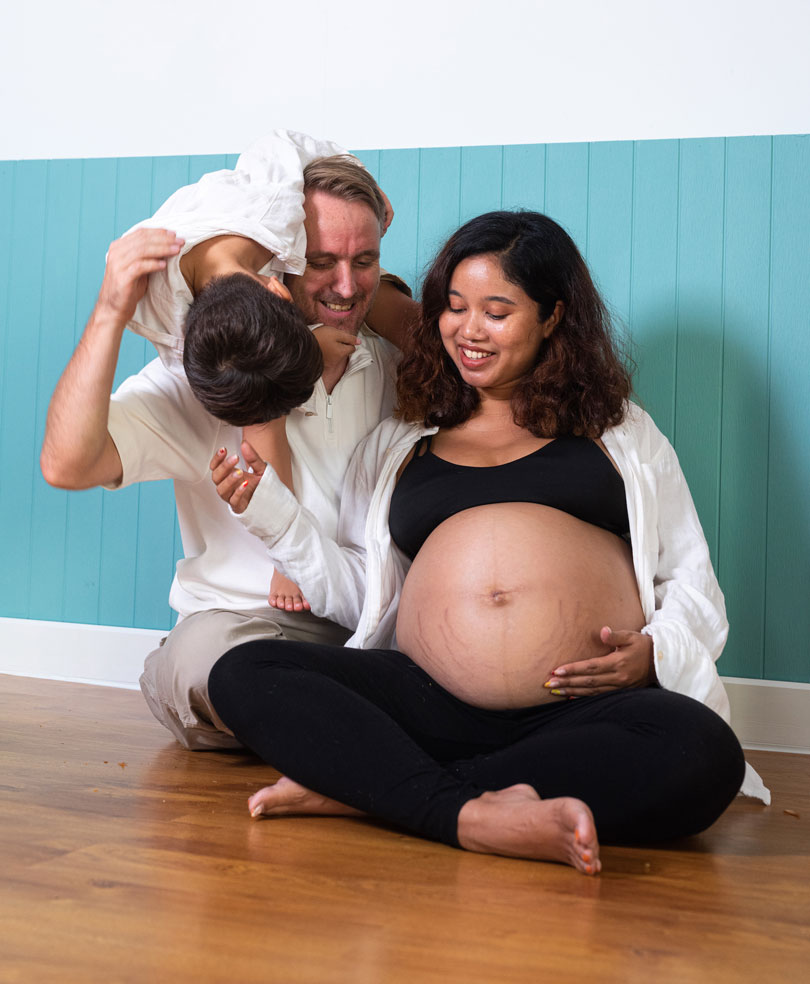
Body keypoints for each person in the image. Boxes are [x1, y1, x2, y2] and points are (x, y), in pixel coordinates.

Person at [207, 210, 768, 874]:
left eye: (497, 312)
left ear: (553, 316)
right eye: (453, 307)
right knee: (244, 671)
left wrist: (653, 655)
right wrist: (271, 512)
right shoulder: (401, 440)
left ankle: (381, 793)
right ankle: (469, 814)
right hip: (429, 700)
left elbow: (690, 578)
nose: (467, 331)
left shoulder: (621, 433)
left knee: (704, 753)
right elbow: (362, 595)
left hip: (580, 709)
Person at [40, 150, 416, 752]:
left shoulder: (398, 362)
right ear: (279, 261)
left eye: (364, 261)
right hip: (245, 629)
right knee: (204, 667)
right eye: (321, 263)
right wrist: (111, 311)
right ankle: (350, 723)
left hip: (365, 615)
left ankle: (328, 723)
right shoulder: (210, 377)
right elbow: (67, 463)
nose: (347, 286)